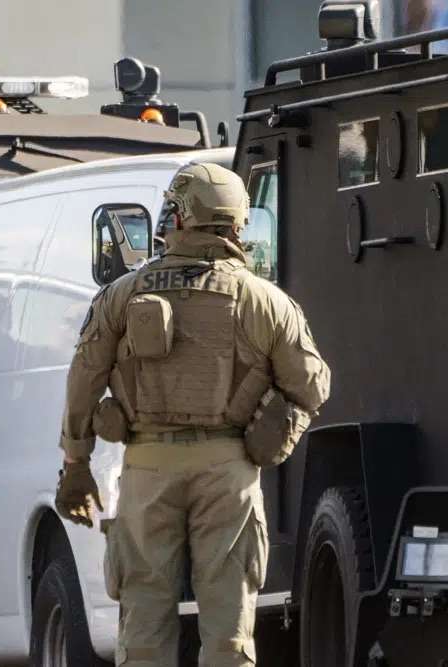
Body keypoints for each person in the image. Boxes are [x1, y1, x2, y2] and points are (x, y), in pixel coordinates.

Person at [55, 163, 330, 666]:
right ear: (237, 224)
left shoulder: (121, 294)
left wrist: (76, 465)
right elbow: (311, 385)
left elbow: (83, 380)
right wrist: (274, 429)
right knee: (228, 630)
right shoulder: (265, 300)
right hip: (229, 470)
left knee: (143, 625)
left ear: (179, 217)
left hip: (147, 468)